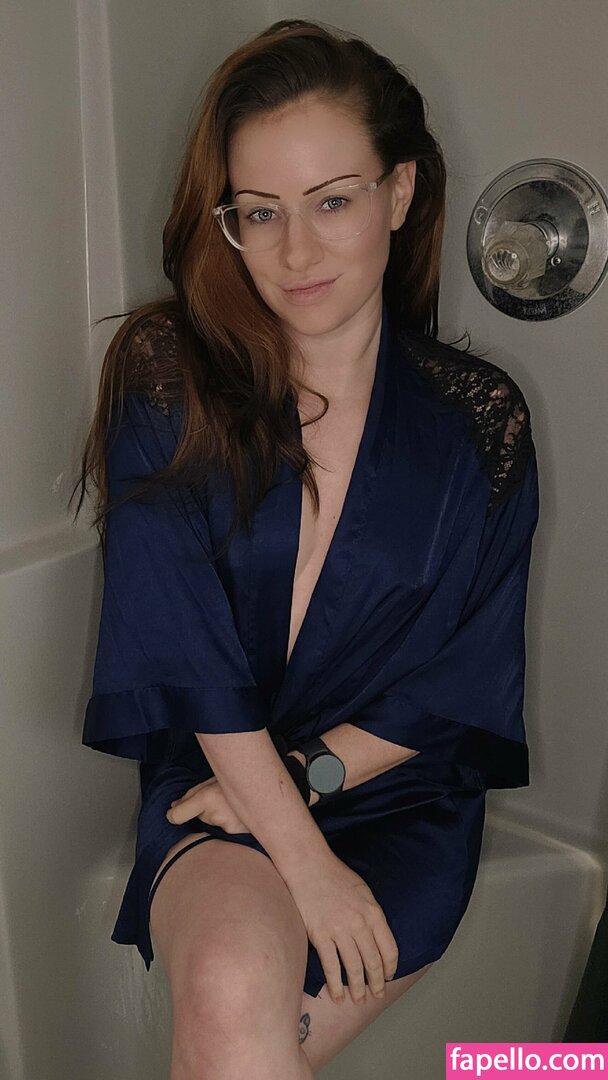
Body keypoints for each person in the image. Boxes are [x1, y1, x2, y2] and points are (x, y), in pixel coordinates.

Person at [72, 17, 541, 1079]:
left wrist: (308, 779)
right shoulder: (167, 374)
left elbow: (464, 675)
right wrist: (301, 855)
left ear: (399, 192)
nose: (295, 252)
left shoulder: (479, 423)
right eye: (259, 211)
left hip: (397, 797)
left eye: (332, 200)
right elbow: (183, 648)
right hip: (222, 777)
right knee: (236, 988)